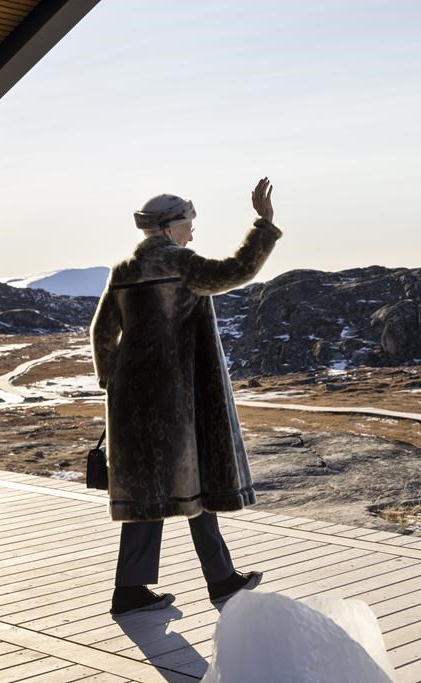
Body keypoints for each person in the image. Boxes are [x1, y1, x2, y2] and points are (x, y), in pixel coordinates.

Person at [90, 178, 282, 616]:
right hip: (178, 398)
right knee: (196, 482)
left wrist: (113, 383)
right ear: (168, 228)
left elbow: (102, 331)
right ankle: (220, 581)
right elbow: (237, 270)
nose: (192, 233)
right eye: (188, 224)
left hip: (134, 403)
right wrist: (263, 225)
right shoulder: (181, 264)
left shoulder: (124, 271)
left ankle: (134, 591)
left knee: (146, 493)